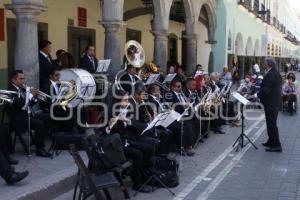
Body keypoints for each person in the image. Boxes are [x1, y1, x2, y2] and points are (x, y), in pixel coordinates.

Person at [6, 70, 51, 157]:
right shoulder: (11, 91)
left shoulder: (22, 89)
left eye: (23, 78)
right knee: (39, 124)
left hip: (27, 115)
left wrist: (35, 97)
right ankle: (40, 149)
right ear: (13, 80)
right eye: (21, 79)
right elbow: (22, 104)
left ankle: (40, 140)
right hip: (18, 119)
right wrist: (31, 95)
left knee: (47, 117)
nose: (23, 81)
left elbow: (29, 104)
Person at [259, 57, 282, 152]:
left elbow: (266, 90)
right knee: (270, 123)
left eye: (264, 63)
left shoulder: (271, 74)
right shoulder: (275, 73)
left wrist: (258, 96)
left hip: (271, 103)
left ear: (269, 64)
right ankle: (271, 141)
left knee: (272, 124)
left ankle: (276, 145)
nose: (263, 64)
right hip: (274, 103)